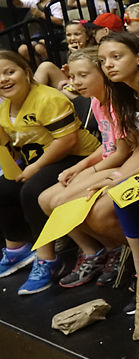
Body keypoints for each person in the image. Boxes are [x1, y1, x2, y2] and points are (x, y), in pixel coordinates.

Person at [40, 43, 139, 288]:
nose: (76, 82)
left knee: (60, 201)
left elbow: (122, 152)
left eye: (84, 75)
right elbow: (106, 144)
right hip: (110, 161)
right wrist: (82, 166)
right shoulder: (97, 102)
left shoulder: (117, 102)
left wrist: (92, 172)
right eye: (73, 76)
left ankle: (120, 249)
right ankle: (95, 251)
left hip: (122, 163)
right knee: (45, 199)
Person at [0, 52, 100, 294]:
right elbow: (7, 145)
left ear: (26, 72)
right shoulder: (4, 107)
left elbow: (67, 140)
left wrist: (33, 168)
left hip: (77, 157)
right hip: (41, 161)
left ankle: (47, 258)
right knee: (3, 187)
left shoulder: (48, 98)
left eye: (9, 72)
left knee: (32, 190)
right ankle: (16, 248)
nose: (3, 79)